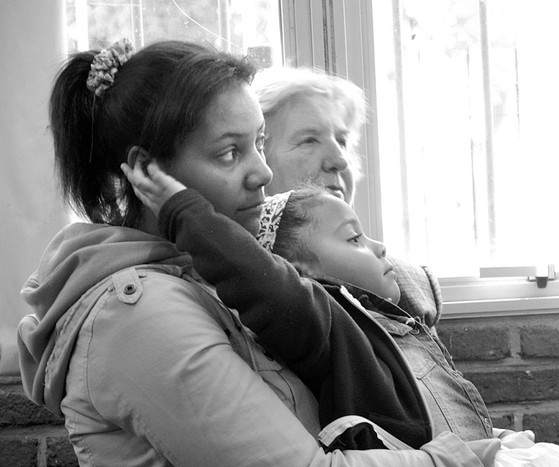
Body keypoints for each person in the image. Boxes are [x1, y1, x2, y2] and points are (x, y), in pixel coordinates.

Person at [16, 38, 499, 466]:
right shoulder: (139, 314)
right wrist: (459, 456)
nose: (263, 173)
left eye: (260, 144)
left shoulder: (202, 276)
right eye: (230, 153)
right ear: (147, 174)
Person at [123, 164, 559, 467]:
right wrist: (186, 212)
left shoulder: (397, 319)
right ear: (298, 273)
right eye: (353, 238)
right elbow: (266, 285)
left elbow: (412, 281)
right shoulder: (327, 321)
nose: (378, 247)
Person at [253, 67, 444, 329]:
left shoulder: (407, 287)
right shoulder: (224, 297)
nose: (340, 160)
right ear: (256, 163)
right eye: (309, 140)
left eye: (342, 141)